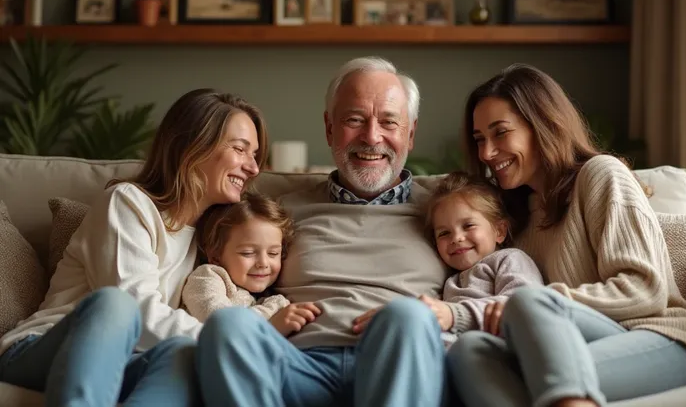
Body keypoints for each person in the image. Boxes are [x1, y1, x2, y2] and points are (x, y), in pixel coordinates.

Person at [447, 63, 686, 407]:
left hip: (662, 341)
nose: (486, 153)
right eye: (480, 140)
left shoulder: (600, 176)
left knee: (530, 301)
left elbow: (645, 290)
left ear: (541, 125)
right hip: (572, 348)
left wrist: (542, 301)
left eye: (500, 133)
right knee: (470, 350)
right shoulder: (514, 219)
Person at [196, 57, 452, 407]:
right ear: (330, 128)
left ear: (410, 133)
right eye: (354, 120)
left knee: (408, 315)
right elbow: (234, 278)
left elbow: (484, 291)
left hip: (398, 364)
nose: (372, 137)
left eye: (389, 122)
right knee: (228, 325)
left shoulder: (447, 214)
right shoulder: (278, 212)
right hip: (298, 364)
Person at [0, 88, 269, 406]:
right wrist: (225, 342)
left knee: (181, 356)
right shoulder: (127, 203)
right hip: (43, 347)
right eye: (240, 149)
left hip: (132, 357)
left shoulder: (215, 239)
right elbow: (138, 312)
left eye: (254, 155)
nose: (252, 168)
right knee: (117, 306)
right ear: (193, 147)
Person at [421, 171, 543, 346]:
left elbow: (523, 302)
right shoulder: (451, 281)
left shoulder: (509, 259)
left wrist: (454, 313)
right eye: (444, 233)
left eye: (468, 225)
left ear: (499, 231)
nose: (456, 238)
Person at [182, 192, 314, 337]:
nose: (263, 263)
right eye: (248, 253)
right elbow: (222, 323)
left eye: (273, 253)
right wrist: (272, 315)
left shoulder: (260, 298)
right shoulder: (206, 277)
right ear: (215, 256)